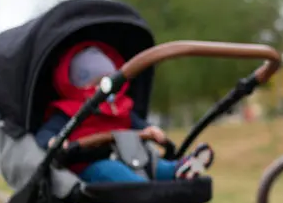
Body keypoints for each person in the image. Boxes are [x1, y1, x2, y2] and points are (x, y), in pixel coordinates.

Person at [34, 41, 214, 183]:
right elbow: (46, 132)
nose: (104, 92)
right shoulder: (69, 110)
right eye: (97, 83)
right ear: (81, 85)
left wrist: (150, 129)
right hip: (90, 163)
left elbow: (137, 123)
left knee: (156, 165)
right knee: (112, 171)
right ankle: (143, 188)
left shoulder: (120, 106)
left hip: (130, 157)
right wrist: (53, 141)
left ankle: (179, 170)